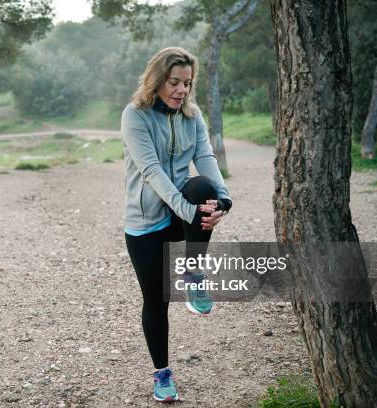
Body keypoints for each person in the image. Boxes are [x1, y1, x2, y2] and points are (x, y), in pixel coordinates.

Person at [121, 47, 232, 402]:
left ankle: (194, 274)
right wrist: (192, 213)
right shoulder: (135, 116)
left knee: (205, 187)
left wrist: (223, 201)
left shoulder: (192, 115)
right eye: (174, 82)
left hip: (180, 211)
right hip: (145, 221)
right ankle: (162, 375)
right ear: (157, 80)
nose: (182, 90)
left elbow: (204, 157)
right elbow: (151, 171)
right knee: (156, 300)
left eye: (187, 83)